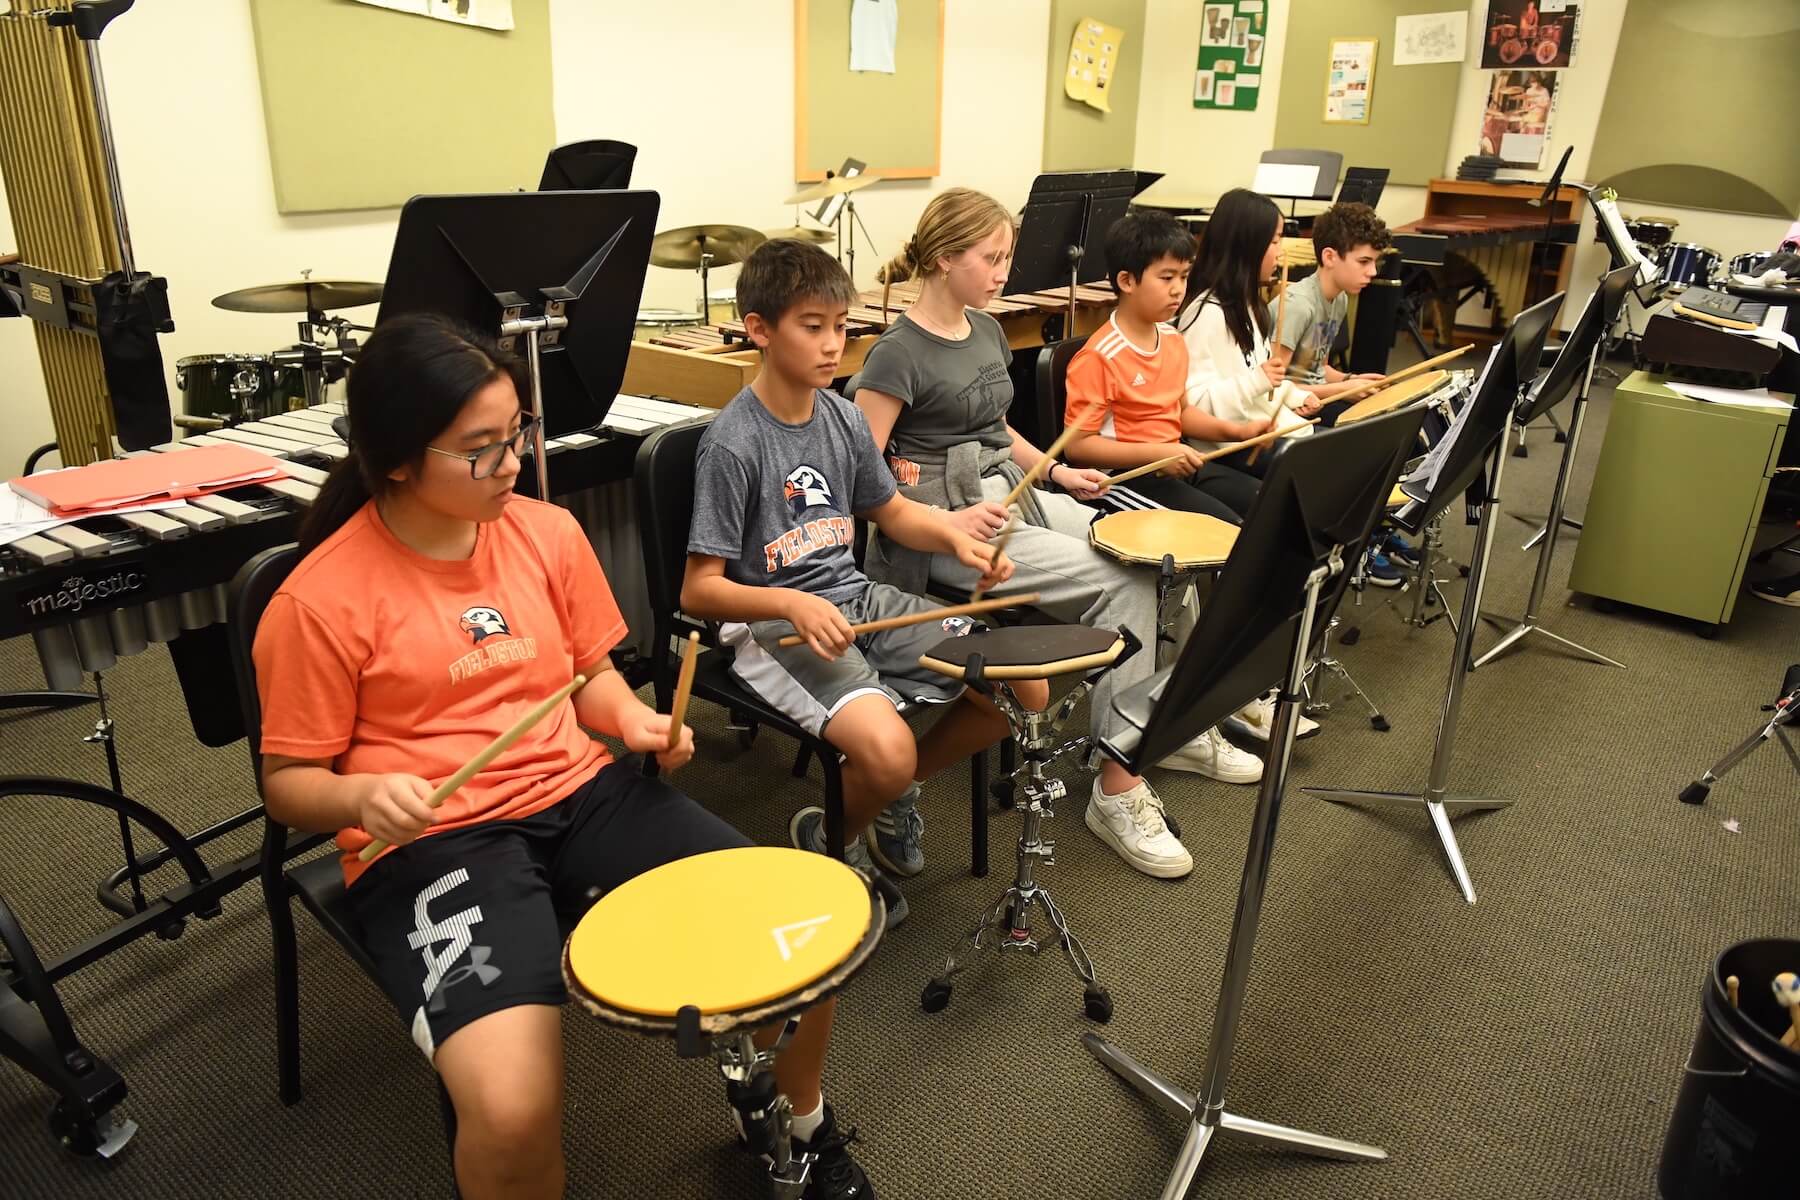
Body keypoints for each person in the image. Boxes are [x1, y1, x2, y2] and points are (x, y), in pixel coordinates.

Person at [252, 314, 876, 1200]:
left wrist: (633, 721)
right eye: (480, 450)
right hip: (433, 843)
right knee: (508, 1113)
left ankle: (797, 1120)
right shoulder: (318, 601)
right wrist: (361, 798)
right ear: (394, 458)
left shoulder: (545, 533)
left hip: (582, 792)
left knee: (805, 939)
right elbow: (287, 788)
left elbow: (586, 678)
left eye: (517, 437)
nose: (511, 464)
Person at [853, 189, 1265, 885]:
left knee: (1172, 556)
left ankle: (1167, 722)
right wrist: (949, 519)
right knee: (1126, 579)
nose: (1002, 272)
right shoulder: (897, 354)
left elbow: (996, 433)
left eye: (1006, 256)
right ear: (946, 258)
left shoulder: (983, 328)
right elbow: (865, 479)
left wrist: (1058, 470)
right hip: (945, 528)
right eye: (991, 258)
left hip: (1016, 497)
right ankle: (1118, 781)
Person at [682, 238, 1049, 919]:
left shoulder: (844, 418)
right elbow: (697, 590)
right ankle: (833, 837)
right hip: (772, 627)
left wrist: (957, 536)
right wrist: (790, 603)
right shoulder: (733, 443)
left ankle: (882, 788)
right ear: (760, 330)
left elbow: (891, 511)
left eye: (841, 326)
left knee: (1022, 688)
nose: (832, 345)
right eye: (812, 326)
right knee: (889, 751)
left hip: (856, 598)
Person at [1061, 209, 1262, 523]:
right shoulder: (1100, 356)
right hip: (1124, 478)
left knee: (1266, 506)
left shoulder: (1171, 337)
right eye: (1167, 277)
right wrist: (1158, 454)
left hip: (1172, 461)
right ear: (1126, 281)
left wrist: (1239, 432)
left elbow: (1182, 412)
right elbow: (1077, 447)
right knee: (1228, 530)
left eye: (1184, 276)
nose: (1178, 289)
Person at [1175, 186, 1312, 477]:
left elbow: (1259, 380)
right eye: (1275, 241)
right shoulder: (1207, 314)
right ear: (1248, 247)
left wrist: (1294, 396)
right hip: (1225, 446)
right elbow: (1194, 404)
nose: (1280, 251)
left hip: (1256, 429)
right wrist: (1258, 381)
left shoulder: (1249, 307)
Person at [1267, 201, 1390, 421]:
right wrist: (1344, 390)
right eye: (1364, 261)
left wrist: (1350, 379)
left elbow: (1319, 369)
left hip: (1316, 397)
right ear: (1330, 257)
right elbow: (1273, 388)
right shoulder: (1299, 305)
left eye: (1374, 262)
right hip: (1290, 408)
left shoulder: (1339, 298)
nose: (1372, 271)